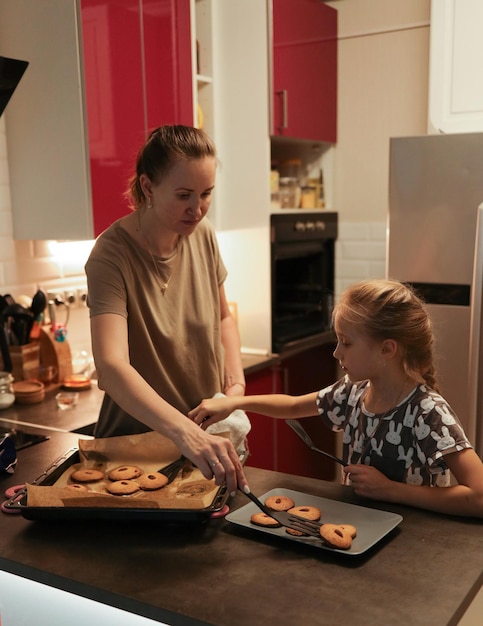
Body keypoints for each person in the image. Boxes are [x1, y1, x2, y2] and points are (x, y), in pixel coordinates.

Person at [190, 279, 483, 518]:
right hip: (361, 529)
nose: (336, 353)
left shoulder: (428, 413)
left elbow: (478, 496)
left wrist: (390, 490)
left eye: (347, 343)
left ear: (387, 350)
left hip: (414, 547)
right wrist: (235, 403)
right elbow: (293, 405)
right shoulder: (353, 393)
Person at [85, 125, 248, 495]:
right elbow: (111, 368)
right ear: (148, 187)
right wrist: (184, 432)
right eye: (184, 195)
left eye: (207, 194)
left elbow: (223, 317)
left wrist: (234, 385)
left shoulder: (201, 234)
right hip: (135, 451)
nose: (198, 209)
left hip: (203, 446)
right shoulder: (111, 255)